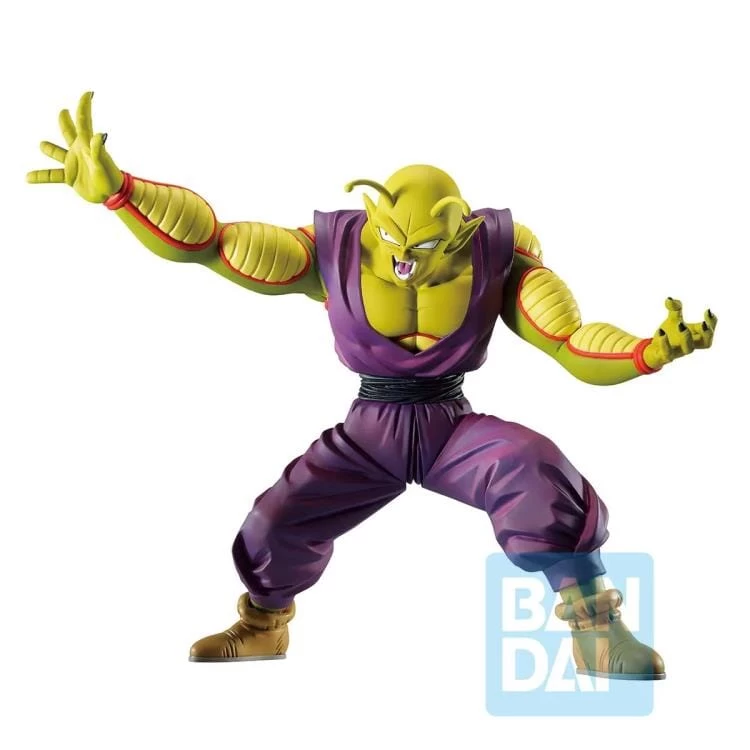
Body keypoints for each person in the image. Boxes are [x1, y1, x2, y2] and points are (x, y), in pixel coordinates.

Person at [28, 91, 717, 679]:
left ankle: (597, 630)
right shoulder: (335, 250)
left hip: (451, 427)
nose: (406, 264)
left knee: (535, 468)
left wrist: (646, 352)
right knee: (276, 519)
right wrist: (121, 192)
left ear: (461, 229)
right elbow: (215, 243)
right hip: (370, 432)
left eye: (426, 250)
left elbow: (568, 339)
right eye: (393, 245)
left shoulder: (498, 253)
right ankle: (264, 624)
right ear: (372, 219)